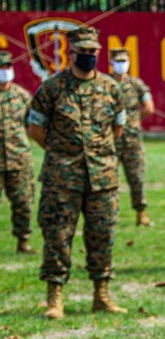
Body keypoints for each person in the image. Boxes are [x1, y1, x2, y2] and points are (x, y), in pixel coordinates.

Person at [27, 26, 127, 319]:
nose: (88, 55)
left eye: (92, 51)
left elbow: (117, 128)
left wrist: (97, 155)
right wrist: (61, 153)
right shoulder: (52, 88)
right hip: (62, 178)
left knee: (102, 235)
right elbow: (35, 129)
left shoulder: (111, 89)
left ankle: (102, 295)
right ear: (70, 53)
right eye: (82, 51)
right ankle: (54, 298)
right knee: (57, 236)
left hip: (102, 178)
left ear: (99, 52)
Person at [109, 47, 155, 227]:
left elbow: (149, 107)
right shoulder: (105, 84)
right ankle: (110, 215)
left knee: (137, 177)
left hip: (132, 140)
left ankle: (141, 214)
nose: (121, 65)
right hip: (111, 140)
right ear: (111, 62)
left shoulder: (136, 84)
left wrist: (133, 120)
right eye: (118, 61)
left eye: (124, 61)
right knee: (108, 180)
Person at [0, 50, 37, 255]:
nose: (4, 71)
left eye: (7, 67)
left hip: (18, 158)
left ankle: (23, 241)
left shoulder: (21, 96)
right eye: (1, 67)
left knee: (24, 203)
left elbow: (33, 124)